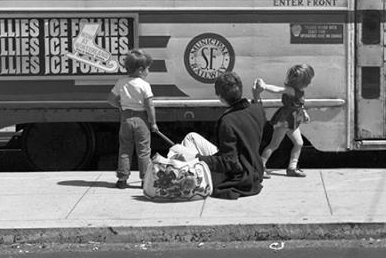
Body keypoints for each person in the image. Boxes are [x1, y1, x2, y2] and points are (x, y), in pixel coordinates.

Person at [174, 71, 267, 199]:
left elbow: (229, 163)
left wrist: (196, 157)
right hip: (254, 169)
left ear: (221, 97)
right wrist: (256, 95)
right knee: (191, 138)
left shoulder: (227, 121)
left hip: (238, 177)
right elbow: (258, 105)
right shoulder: (257, 110)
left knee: (186, 154)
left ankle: (181, 179)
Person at [106, 49, 159, 189]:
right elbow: (149, 106)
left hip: (125, 119)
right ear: (141, 70)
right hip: (141, 119)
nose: (148, 71)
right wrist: (153, 123)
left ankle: (122, 179)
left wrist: (120, 106)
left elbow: (110, 99)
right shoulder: (144, 85)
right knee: (143, 150)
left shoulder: (121, 82)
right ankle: (145, 179)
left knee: (125, 148)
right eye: (147, 68)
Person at [256, 63, 315, 177]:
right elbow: (278, 89)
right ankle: (260, 167)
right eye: (308, 80)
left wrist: (304, 113)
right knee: (274, 145)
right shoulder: (291, 90)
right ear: (303, 81)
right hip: (285, 121)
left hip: (293, 121)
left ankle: (292, 167)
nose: (310, 82)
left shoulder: (299, 90)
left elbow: (299, 104)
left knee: (299, 143)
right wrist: (265, 86)